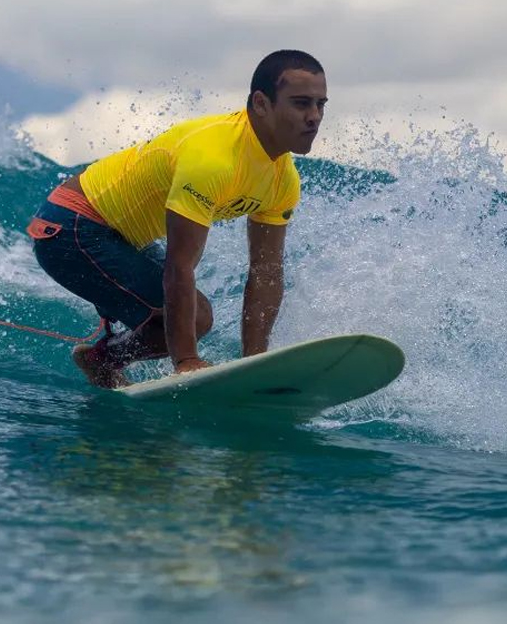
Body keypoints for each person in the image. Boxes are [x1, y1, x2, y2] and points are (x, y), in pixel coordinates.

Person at [26, 50, 327, 388]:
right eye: (301, 104)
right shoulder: (213, 158)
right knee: (196, 317)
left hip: (118, 237)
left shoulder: (283, 181)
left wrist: (253, 364)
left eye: (320, 105)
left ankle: (100, 361)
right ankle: (103, 362)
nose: (314, 117)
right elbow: (179, 266)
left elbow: (266, 273)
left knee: (193, 315)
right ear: (260, 103)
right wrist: (187, 362)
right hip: (70, 228)